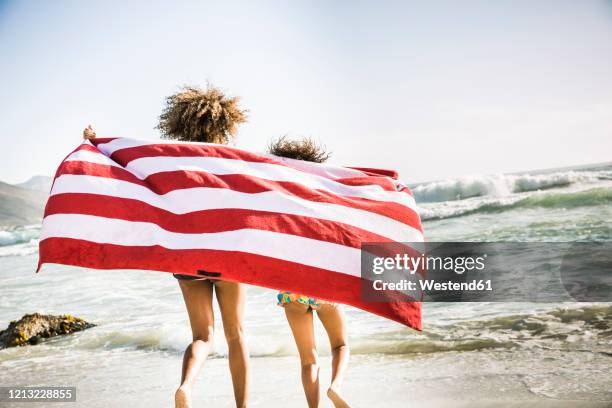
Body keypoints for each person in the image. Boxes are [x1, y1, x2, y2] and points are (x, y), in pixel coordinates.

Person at [85, 84, 249, 408]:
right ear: (224, 125)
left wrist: (95, 142)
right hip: (227, 254)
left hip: (187, 257)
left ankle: (186, 386)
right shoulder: (231, 162)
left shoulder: (169, 165)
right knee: (236, 335)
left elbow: (127, 170)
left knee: (202, 336)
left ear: (180, 124)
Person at [269, 137, 352, 408]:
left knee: (308, 358)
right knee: (339, 345)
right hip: (323, 286)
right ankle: (335, 387)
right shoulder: (321, 199)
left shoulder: (278, 201)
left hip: (291, 288)